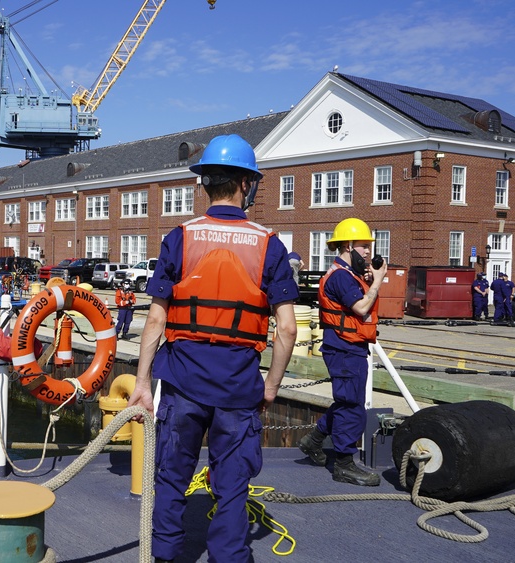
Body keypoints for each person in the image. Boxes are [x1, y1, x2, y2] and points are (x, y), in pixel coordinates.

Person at [126, 134, 298, 562]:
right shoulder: (269, 244)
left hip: (182, 383)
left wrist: (143, 382)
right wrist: (272, 386)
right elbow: (288, 330)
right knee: (233, 485)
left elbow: (155, 319)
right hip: (239, 387)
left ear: (204, 184)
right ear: (246, 184)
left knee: (170, 478)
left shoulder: (180, 238)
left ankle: (163, 556)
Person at [297, 217, 385, 487]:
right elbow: (360, 308)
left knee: (346, 400)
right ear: (348, 246)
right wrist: (378, 281)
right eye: (363, 246)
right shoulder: (341, 278)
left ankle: (313, 439)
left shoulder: (349, 276)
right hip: (345, 349)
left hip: (349, 347)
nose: (369, 252)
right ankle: (344, 464)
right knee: (352, 406)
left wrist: (369, 279)